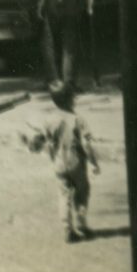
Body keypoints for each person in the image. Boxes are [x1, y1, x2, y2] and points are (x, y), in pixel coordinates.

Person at [25, 83, 101, 242]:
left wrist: (33, 145)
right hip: (77, 164)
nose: (75, 99)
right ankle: (82, 225)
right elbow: (86, 144)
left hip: (59, 164)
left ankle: (68, 230)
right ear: (68, 99)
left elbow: (40, 139)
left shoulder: (49, 120)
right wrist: (94, 162)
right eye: (73, 96)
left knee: (64, 196)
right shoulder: (78, 119)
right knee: (82, 194)